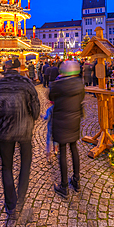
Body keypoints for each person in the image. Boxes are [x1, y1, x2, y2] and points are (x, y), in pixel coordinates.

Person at [0, 59, 40, 215]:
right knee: (25, 164)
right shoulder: (27, 84)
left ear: (6, 69)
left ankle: (10, 204)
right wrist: (31, 117)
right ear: (19, 68)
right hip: (24, 130)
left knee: (6, 166)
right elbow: (36, 109)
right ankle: (21, 198)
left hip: (5, 131)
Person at [49, 60, 85, 199]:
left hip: (61, 120)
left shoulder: (58, 85)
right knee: (74, 148)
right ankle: (76, 180)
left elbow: (51, 97)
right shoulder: (79, 84)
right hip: (74, 119)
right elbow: (81, 98)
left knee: (62, 151)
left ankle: (64, 186)